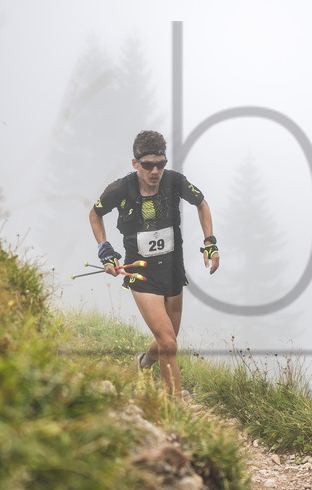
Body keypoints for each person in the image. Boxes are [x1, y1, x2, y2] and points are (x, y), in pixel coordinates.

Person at [89, 130, 219, 396]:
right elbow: (95, 214)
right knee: (169, 343)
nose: (155, 171)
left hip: (172, 270)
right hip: (141, 274)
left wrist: (210, 243)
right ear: (135, 163)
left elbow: (202, 203)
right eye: (148, 165)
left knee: (167, 339)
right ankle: (174, 411)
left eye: (160, 164)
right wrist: (105, 249)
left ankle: (144, 362)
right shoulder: (120, 189)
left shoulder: (175, 181)